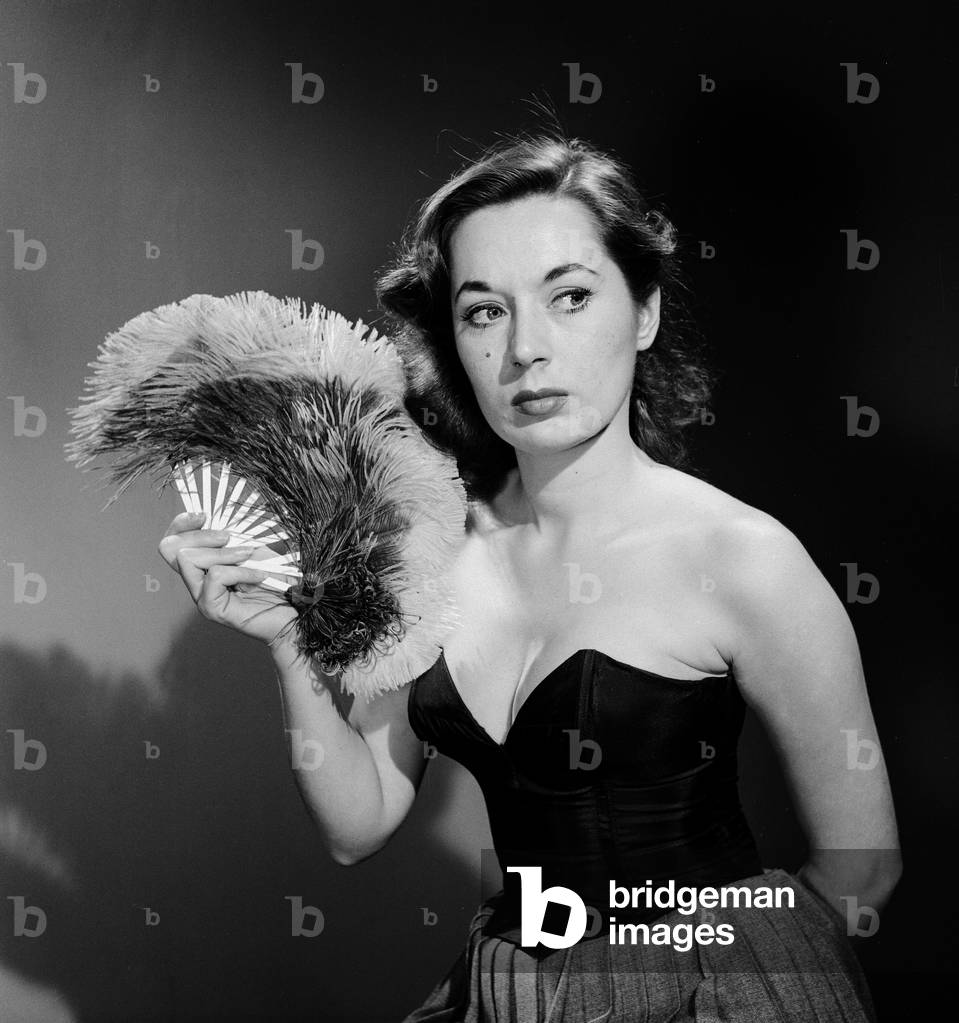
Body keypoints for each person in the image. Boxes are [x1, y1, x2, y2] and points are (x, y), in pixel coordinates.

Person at [157, 133, 901, 1022]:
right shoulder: (425, 550)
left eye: (570, 296)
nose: (525, 350)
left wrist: (733, 977)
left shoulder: (739, 556)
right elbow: (359, 823)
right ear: (453, 339)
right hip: (511, 994)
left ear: (644, 312)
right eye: (484, 312)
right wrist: (291, 645)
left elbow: (862, 870)